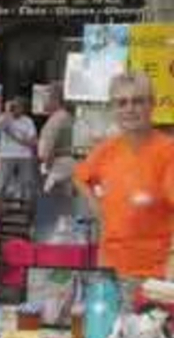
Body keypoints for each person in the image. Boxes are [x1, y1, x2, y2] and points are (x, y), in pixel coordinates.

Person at [74, 72, 174, 280]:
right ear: (113, 109)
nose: (129, 109)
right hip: (110, 271)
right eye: (121, 103)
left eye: (138, 101)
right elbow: (80, 177)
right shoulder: (105, 150)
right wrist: (99, 209)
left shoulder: (168, 152)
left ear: (152, 105)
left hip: (155, 275)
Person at [0, 96, 38, 200]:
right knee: (3, 181)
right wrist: (8, 112)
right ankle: (0, 203)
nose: (16, 109)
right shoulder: (4, 118)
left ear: (23, 108)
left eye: (19, 107)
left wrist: (14, 137)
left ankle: (25, 204)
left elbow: (33, 141)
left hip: (24, 156)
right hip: (7, 155)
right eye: (15, 106)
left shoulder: (28, 121)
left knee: (26, 182)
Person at [38, 83, 74, 194]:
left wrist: (46, 169)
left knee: (54, 203)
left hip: (57, 168)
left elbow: (49, 147)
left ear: (55, 99)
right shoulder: (66, 116)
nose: (43, 101)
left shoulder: (57, 118)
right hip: (64, 166)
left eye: (46, 97)